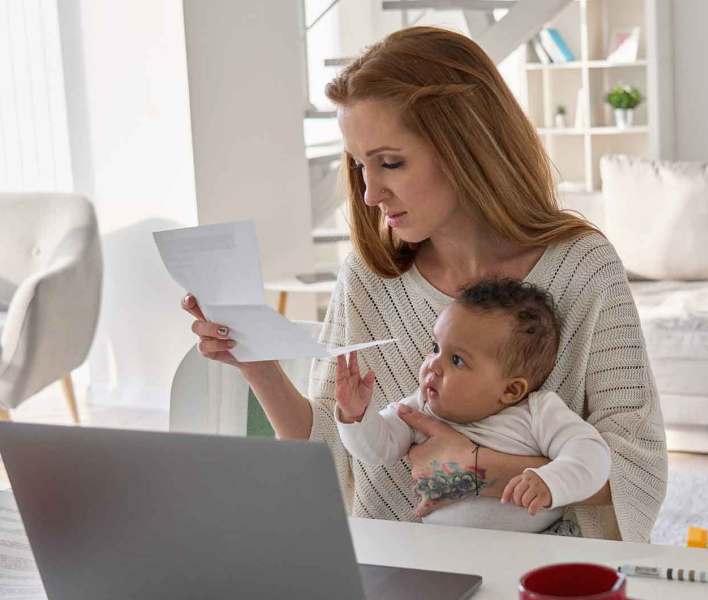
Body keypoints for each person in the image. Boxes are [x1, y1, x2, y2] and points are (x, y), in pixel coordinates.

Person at [182, 26, 667, 542]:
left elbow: (637, 469)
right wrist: (259, 366)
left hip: (547, 570)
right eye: (359, 166)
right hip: (403, 564)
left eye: (390, 162)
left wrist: (479, 467)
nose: (369, 193)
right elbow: (325, 452)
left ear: (466, 148)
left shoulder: (582, 267)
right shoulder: (369, 279)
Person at [334, 278, 611, 533]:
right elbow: (376, 449)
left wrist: (551, 481)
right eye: (435, 348)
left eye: (456, 360)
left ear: (511, 390)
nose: (433, 365)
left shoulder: (538, 413)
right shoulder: (421, 407)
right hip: (445, 546)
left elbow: (592, 454)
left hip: (538, 544)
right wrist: (356, 414)